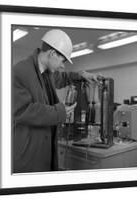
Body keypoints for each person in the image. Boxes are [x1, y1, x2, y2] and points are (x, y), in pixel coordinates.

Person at [12, 29, 97, 173]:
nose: (63, 66)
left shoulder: (48, 72)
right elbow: (22, 111)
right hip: (29, 152)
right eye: (62, 60)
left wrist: (82, 75)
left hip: (45, 148)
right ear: (52, 54)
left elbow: (63, 77)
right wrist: (60, 112)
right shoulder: (19, 71)